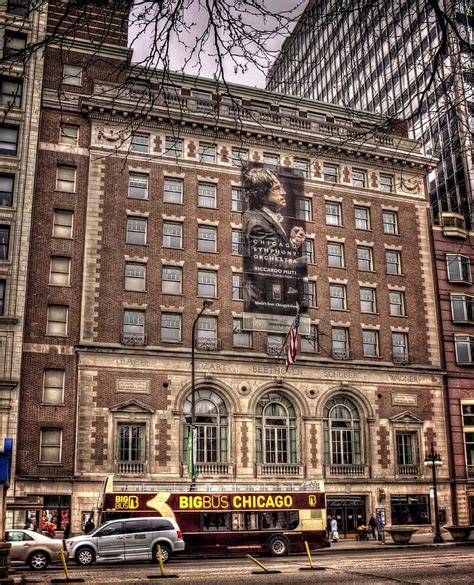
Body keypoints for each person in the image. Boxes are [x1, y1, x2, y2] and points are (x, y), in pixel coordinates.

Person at [242, 167, 307, 311]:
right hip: (268, 304)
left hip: (276, 302)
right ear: (262, 193)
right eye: (277, 188)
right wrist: (307, 262)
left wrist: (293, 243)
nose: (283, 192)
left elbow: (275, 257)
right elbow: (273, 265)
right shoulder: (257, 223)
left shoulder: (264, 217)